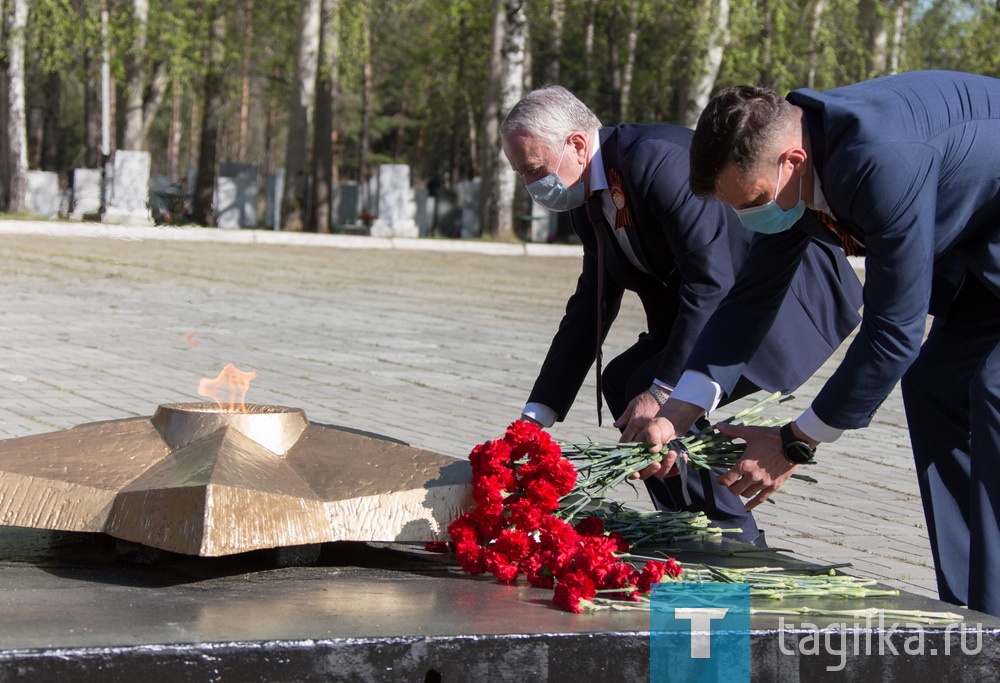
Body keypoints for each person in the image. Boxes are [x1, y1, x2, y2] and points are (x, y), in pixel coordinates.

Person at [636, 71, 1000, 616]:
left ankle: (994, 618)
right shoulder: (799, 167)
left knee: (993, 392)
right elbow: (750, 299)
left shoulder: (879, 164)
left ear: (792, 163)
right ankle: (975, 615)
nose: (748, 218)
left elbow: (894, 333)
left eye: (753, 201)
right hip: (982, 236)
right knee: (935, 388)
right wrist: (676, 413)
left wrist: (794, 441)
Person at [500, 85, 863, 545]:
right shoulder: (585, 197)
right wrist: (535, 418)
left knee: (643, 389)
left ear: (575, 145)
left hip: (781, 305)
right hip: (714, 307)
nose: (532, 185)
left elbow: (711, 283)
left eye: (533, 170)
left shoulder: (655, 161)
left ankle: (729, 537)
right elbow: (593, 301)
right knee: (622, 379)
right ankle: (689, 525)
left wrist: (664, 391)